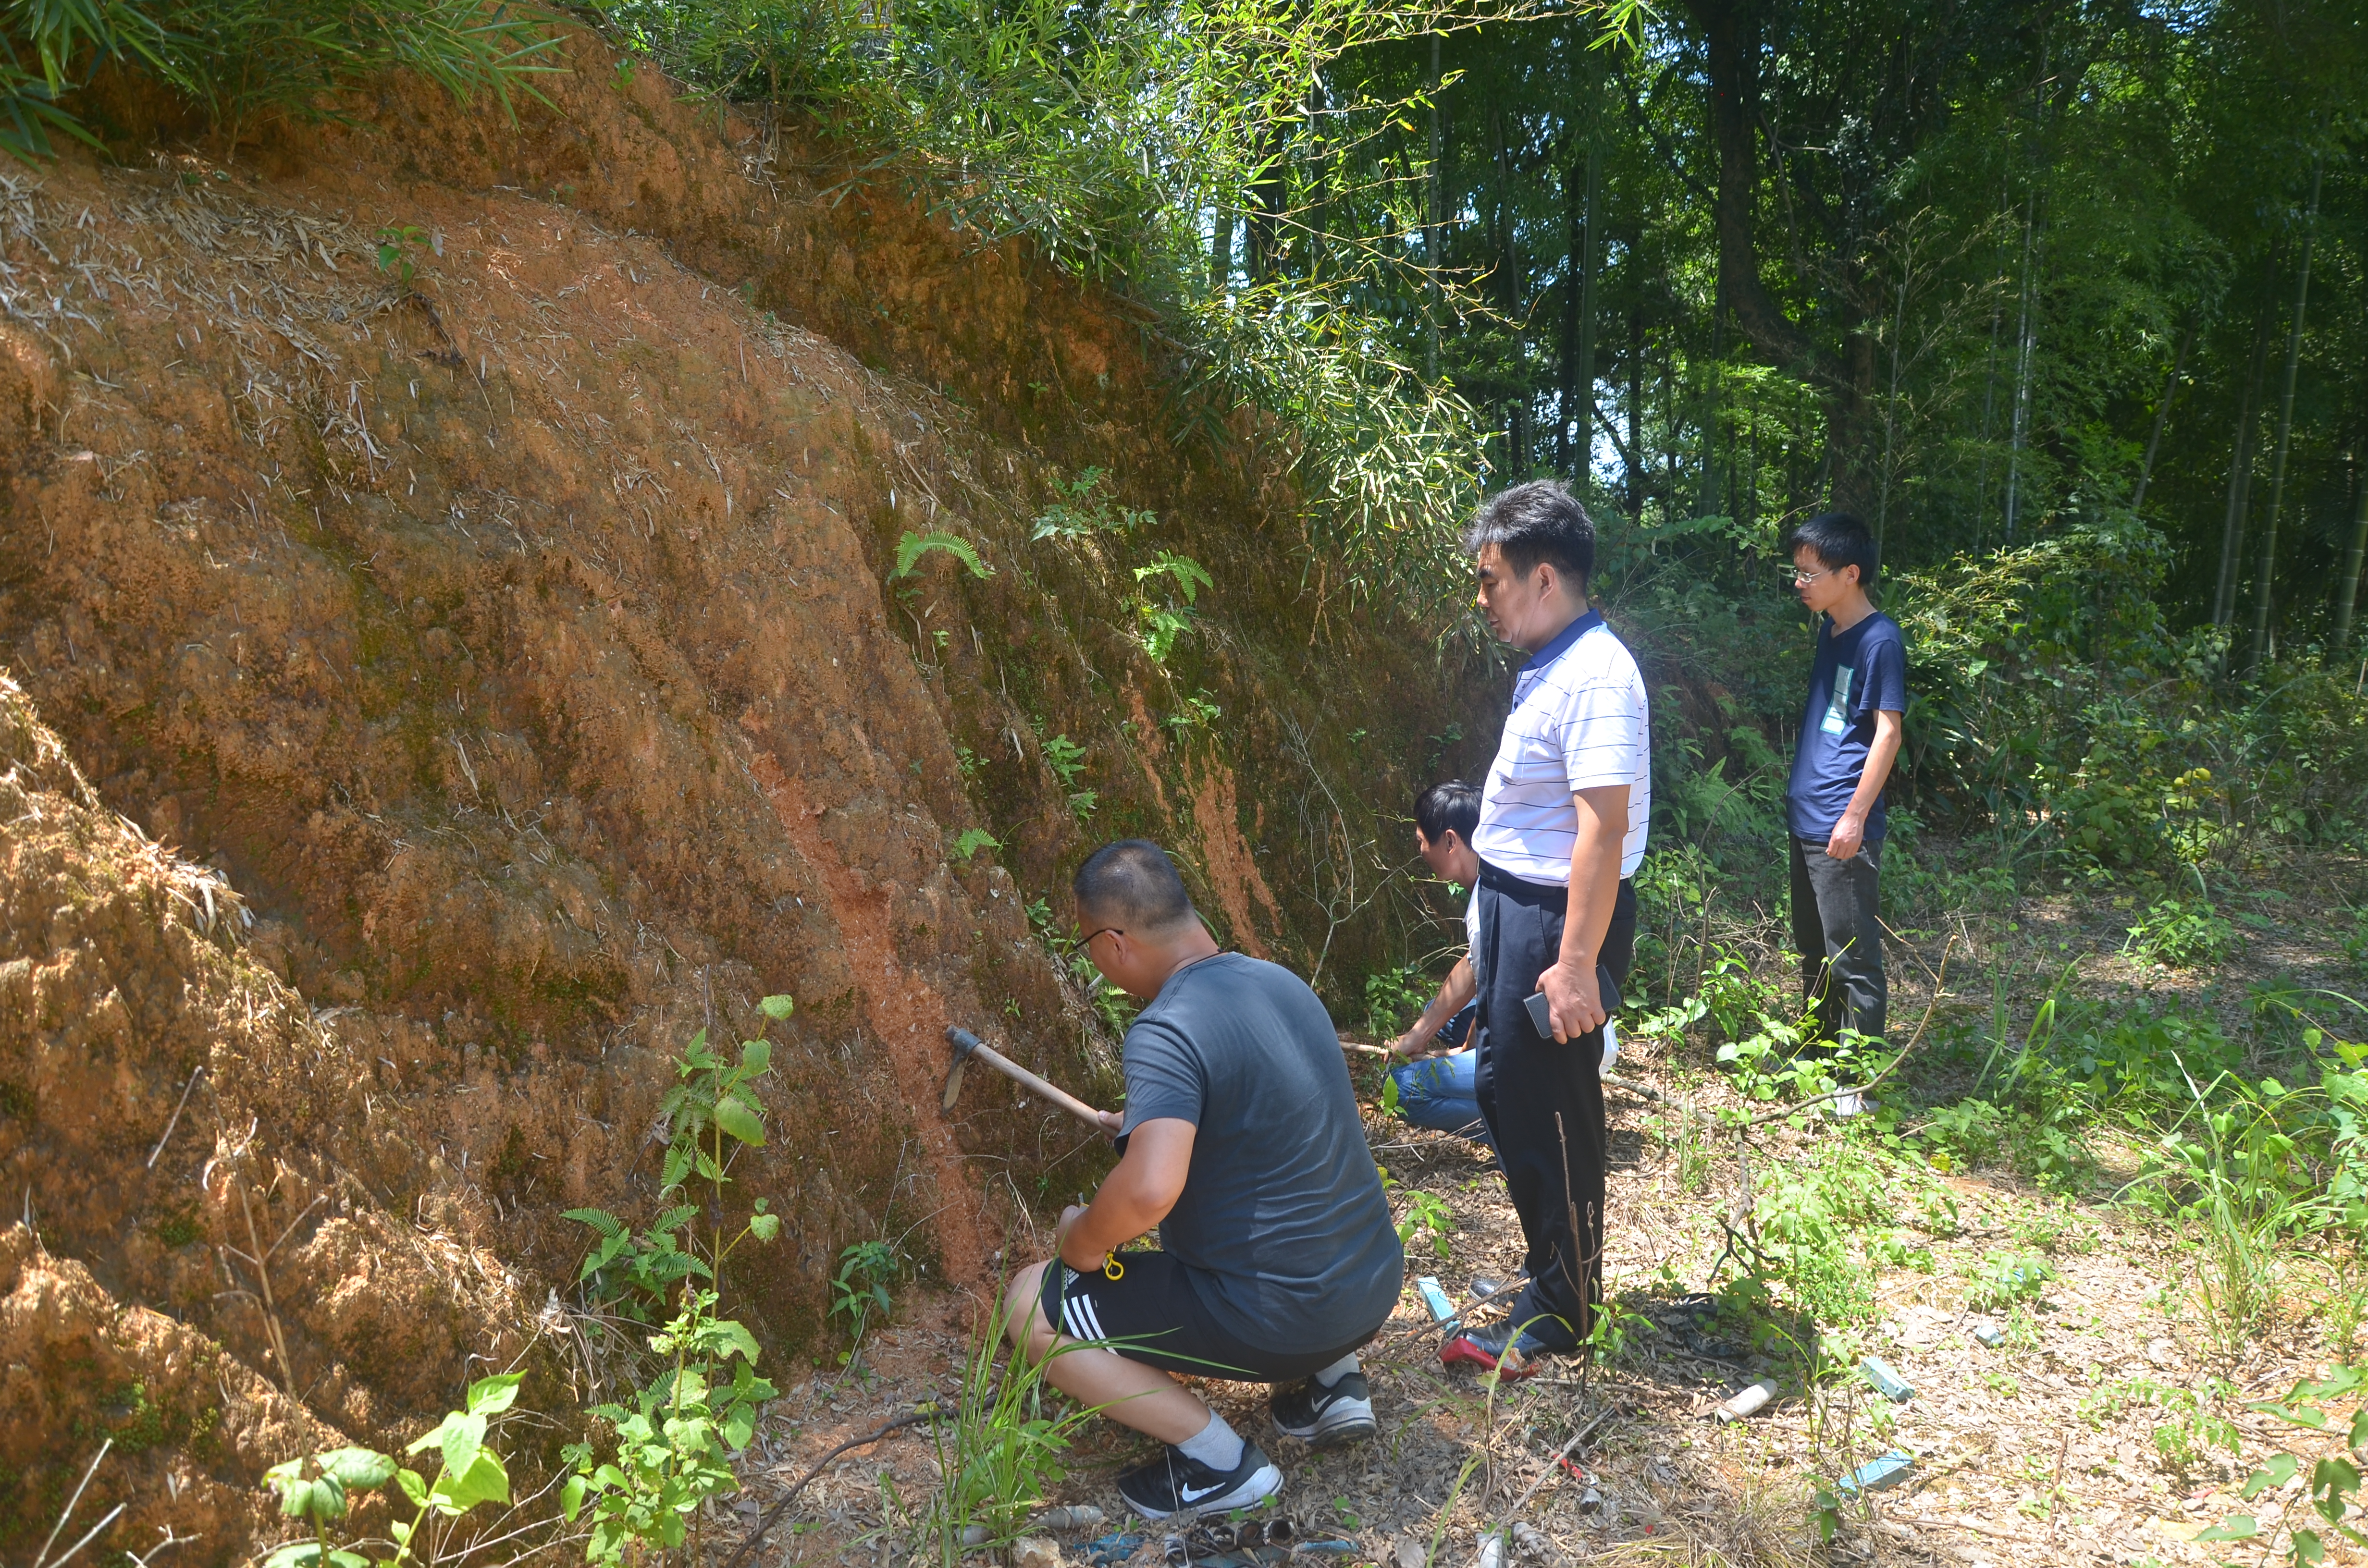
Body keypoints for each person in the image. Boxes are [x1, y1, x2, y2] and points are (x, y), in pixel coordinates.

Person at [1003, 841, 1405, 1517]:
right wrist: (1149, 1117)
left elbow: (1153, 1189)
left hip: (1282, 1320)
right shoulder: (1281, 984)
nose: (1096, 966)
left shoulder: (1165, 1028)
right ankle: (1334, 1389)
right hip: (1370, 1290)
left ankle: (1217, 1465)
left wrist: (1080, 1243)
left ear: (1114, 941)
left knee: (1027, 1302)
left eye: (1087, 949)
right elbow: (1271, 1112)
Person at [1436, 481, 1648, 1380]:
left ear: (1544, 576)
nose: (1480, 599)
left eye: (1490, 581)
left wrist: (1572, 963)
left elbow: (1602, 827)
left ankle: (1564, 1304)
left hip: (1560, 918)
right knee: (1505, 1090)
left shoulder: (1599, 674)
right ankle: (1552, 1274)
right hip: (1518, 907)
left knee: (1550, 1106)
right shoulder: (1553, 664)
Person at [1781, 512, 1906, 1112]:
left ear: (1849, 573)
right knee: (1813, 947)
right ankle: (1815, 1057)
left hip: (1840, 821)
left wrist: (1854, 817)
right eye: (1797, 571)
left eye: (1809, 573)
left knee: (1851, 955)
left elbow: (1887, 733)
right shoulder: (1828, 630)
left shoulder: (1879, 638)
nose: (1799, 583)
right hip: (1806, 815)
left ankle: (1856, 1085)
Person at [1387, 780, 1489, 1144]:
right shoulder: (1502, 874)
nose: (1420, 850)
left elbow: (1499, 991)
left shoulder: (1485, 908)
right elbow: (1475, 967)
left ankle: (1516, 1124)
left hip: (1536, 1050)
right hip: (1579, 1034)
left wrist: (1468, 1051)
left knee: (1398, 1088)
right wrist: (1419, 1035)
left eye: (1421, 841)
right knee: (1438, 1012)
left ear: (1449, 841)